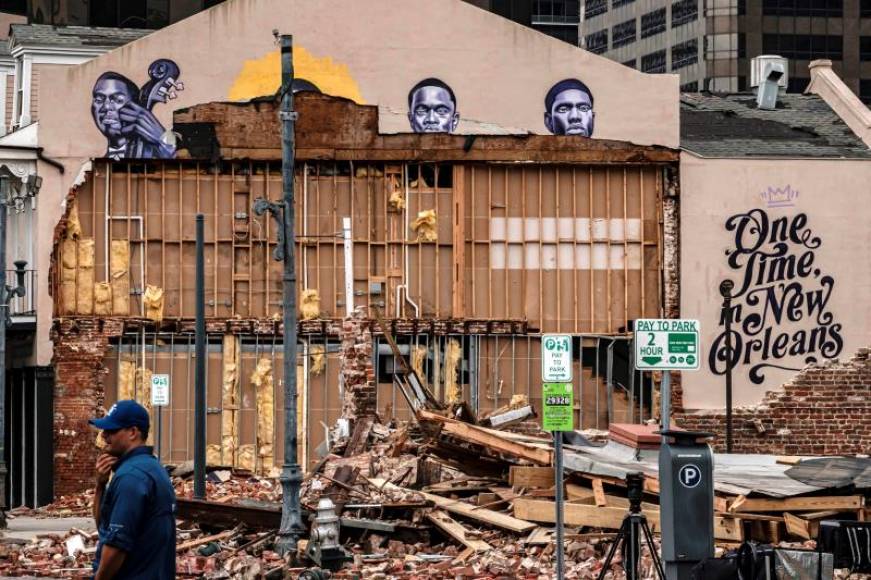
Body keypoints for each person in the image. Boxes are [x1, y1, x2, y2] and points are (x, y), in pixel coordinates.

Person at [90, 400, 176, 580]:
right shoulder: (151, 467)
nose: (104, 436)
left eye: (112, 430)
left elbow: (116, 547)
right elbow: (104, 529)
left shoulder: (131, 477)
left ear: (133, 432)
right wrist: (100, 485)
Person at [91, 72, 176, 160]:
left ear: (135, 108)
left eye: (118, 100)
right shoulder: (95, 166)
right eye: (99, 100)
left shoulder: (161, 153)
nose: (106, 107)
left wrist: (162, 138)